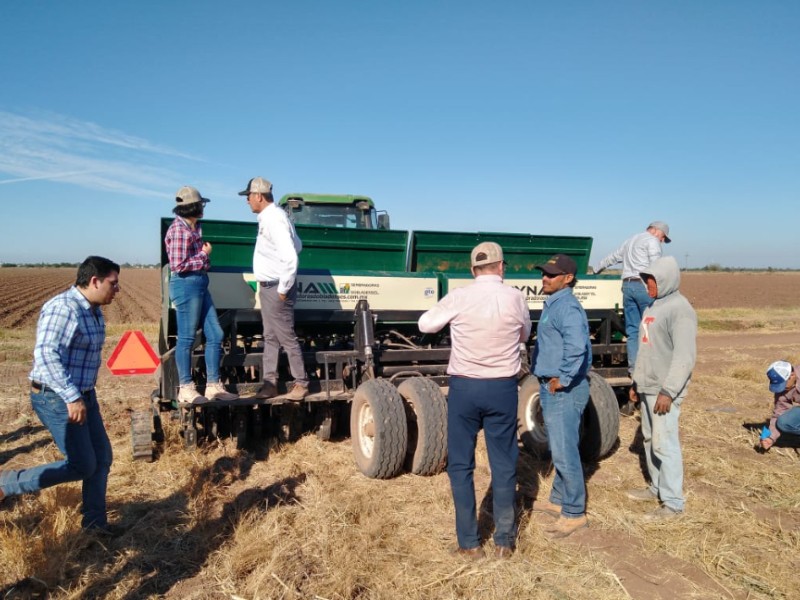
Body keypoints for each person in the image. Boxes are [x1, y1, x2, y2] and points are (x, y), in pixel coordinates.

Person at [419, 242, 531, 559]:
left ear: (473, 270)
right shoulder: (515, 297)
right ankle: (505, 541)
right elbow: (524, 335)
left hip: (465, 389)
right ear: (501, 266)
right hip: (502, 389)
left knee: (461, 465)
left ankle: (469, 544)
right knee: (504, 464)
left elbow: (425, 324)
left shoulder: (460, 296)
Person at [0, 257, 120, 532]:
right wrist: (72, 397)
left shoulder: (92, 310)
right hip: (57, 396)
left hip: (84, 395)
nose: (117, 290)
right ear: (94, 281)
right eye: (113, 284)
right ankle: (6, 484)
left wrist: (82, 396)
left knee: (102, 459)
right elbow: (46, 354)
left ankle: (95, 526)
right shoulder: (64, 308)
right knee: (82, 464)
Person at [627, 255, 696, 520]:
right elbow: (647, 349)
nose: (647, 285)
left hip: (663, 391)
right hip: (648, 386)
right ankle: (657, 488)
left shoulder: (681, 309)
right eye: (646, 279)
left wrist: (668, 391)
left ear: (667, 279)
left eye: (652, 279)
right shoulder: (653, 307)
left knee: (664, 444)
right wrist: (637, 382)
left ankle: (673, 503)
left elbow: (684, 356)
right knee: (649, 439)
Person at [530, 253, 593, 539]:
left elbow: (577, 347)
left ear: (568, 279)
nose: (545, 277)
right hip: (551, 385)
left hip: (563, 389)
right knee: (561, 447)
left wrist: (563, 379)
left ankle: (574, 513)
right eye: (544, 273)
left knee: (565, 451)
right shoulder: (554, 302)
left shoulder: (566, 307)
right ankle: (558, 500)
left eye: (551, 274)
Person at [165, 186, 239, 405]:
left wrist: (202, 259)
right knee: (187, 338)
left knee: (215, 334)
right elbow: (178, 265)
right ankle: (186, 388)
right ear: (193, 206)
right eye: (201, 204)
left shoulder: (194, 228)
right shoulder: (179, 230)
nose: (203, 208)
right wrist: (204, 255)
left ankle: (213, 386)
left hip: (199, 284)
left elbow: (198, 263)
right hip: (186, 285)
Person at [240, 177, 309, 401]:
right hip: (270, 287)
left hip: (275, 288)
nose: (247, 201)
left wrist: (282, 289)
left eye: (249, 196)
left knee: (286, 337)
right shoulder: (275, 217)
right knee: (270, 336)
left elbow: (290, 257)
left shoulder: (274, 219)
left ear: (258, 196)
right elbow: (298, 245)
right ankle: (270, 384)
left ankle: (301, 383)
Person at [594, 221, 671, 376]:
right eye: (663, 237)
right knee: (652, 328)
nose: (662, 240)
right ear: (656, 231)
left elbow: (613, 257)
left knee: (633, 330)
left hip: (627, 287)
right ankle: (652, 368)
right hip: (643, 286)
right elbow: (656, 266)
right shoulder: (652, 241)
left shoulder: (630, 240)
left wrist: (596, 269)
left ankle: (634, 369)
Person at [760, 360, 800, 451]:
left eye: (783, 384)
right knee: (782, 422)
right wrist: (770, 438)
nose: (780, 388)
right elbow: (779, 413)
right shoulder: (782, 391)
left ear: (792, 376)